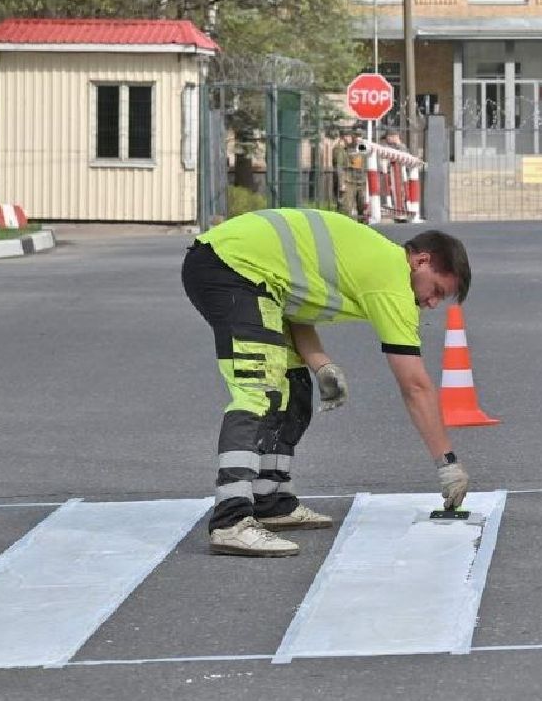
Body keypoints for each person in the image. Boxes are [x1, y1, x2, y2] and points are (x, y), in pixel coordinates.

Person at [182, 207, 474, 556]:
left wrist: (320, 364)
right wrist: (447, 464)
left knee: (294, 388)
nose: (432, 303)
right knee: (259, 390)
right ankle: (231, 521)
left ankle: (269, 501)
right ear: (421, 261)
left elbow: (295, 301)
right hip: (230, 267)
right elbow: (415, 386)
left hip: (244, 270)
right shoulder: (393, 278)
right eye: (437, 290)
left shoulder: (374, 258)